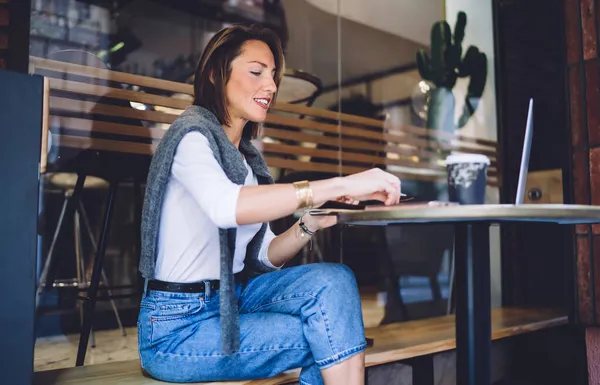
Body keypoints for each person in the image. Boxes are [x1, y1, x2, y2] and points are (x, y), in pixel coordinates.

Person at [137, 23, 401, 385]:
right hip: (177, 328)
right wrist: (340, 183)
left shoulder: (246, 161)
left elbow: (261, 257)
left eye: (273, 75)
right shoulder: (190, 136)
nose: (272, 86)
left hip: (234, 300)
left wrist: (309, 223)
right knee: (326, 331)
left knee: (334, 281)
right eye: (257, 72)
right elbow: (226, 206)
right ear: (216, 74)